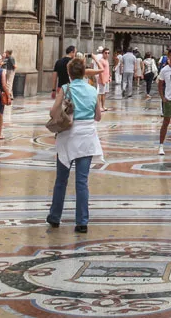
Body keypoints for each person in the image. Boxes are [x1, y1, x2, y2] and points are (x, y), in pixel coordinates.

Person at [46, 56, 102, 232]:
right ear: (84, 73)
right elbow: (98, 116)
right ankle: (82, 222)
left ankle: (55, 217)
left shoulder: (66, 88)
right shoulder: (92, 90)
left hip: (68, 136)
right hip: (87, 137)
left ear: (69, 73)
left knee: (61, 179)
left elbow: (53, 111)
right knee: (82, 181)